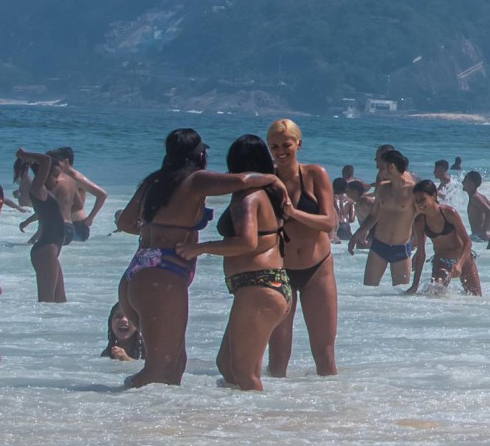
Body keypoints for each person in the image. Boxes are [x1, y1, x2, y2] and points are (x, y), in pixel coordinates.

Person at [115, 128, 281, 388]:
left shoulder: (153, 181)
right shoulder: (196, 180)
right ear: (200, 154)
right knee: (157, 370)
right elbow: (243, 180)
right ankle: (115, 415)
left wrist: (157, 232)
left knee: (175, 366)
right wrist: (273, 178)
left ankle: (158, 424)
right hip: (162, 276)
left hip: (138, 270)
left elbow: (125, 222)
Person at [180, 135, 292, 392]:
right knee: (228, 365)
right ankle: (241, 426)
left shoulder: (248, 197)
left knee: (244, 373)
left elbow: (246, 242)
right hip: (266, 285)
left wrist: (200, 248)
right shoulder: (270, 192)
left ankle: (261, 427)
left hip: (260, 286)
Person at [264, 118, 340, 380]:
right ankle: (273, 413)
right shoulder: (268, 180)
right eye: (274, 147)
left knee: (325, 353)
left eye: (286, 144)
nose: (280, 151)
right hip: (281, 268)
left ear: (299, 144)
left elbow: (329, 222)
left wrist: (293, 213)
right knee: (277, 357)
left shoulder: (314, 174)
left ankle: (331, 412)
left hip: (317, 268)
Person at [16, 146, 85, 302]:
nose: (58, 178)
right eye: (54, 174)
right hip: (45, 251)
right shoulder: (37, 189)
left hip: (51, 251)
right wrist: (24, 155)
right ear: (44, 173)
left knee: (61, 302)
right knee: (46, 302)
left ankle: (57, 327)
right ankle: (41, 327)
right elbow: (45, 160)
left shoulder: (46, 192)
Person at [362, 146, 421, 288]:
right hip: (379, 246)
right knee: (367, 292)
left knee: (399, 297)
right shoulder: (382, 186)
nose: (378, 169)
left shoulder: (413, 190)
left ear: (392, 167)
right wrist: (358, 234)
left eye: (382, 167)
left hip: (401, 249)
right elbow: (374, 215)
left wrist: (420, 247)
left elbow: (421, 219)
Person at [407, 181, 480, 294]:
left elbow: (467, 242)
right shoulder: (419, 221)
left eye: (423, 199)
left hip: (463, 259)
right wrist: (414, 285)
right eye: (416, 201)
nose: (419, 203)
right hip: (441, 261)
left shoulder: (449, 213)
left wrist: (459, 264)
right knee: (435, 294)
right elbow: (421, 254)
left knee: (476, 298)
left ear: (434, 196)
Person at [463, 170, 490, 242]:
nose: (462, 182)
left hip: (478, 237)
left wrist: (485, 231)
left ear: (472, 183)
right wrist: (488, 229)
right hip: (480, 236)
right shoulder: (480, 196)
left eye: (465, 180)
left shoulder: (475, 198)